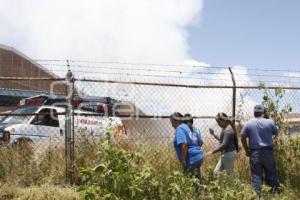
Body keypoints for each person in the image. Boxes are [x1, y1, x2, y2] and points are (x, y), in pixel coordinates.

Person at [241, 104, 280, 194]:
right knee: (271, 173)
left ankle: (258, 195)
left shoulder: (248, 123)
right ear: (263, 112)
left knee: (256, 175)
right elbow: (276, 131)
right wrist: (267, 119)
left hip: (255, 153)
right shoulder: (270, 122)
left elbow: (242, 136)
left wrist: (247, 150)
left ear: (254, 113)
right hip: (268, 152)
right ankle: (273, 194)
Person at [170, 112, 204, 179]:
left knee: (188, 180)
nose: (172, 125)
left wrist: (183, 160)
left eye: (172, 122)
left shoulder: (180, 128)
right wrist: (195, 150)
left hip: (190, 159)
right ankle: (201, 188)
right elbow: (200, 142)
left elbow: (184, 144)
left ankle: (198, 188)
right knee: (197, 179)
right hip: (199, 156)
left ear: (177, 121)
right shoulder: (192, 128)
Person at [207, 112, 239, 177]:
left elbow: (224, 144)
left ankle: (232, 186)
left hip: (228, 154)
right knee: (216, 172)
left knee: (230, 174)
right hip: (225, 154)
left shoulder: (228, 130)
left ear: (224, 120)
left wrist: (212, 152)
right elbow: (223, 140)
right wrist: (213, 134)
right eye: (217, 122)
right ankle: (222, 186)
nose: (218, 124)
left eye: (219, 122)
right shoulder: (225, 128)